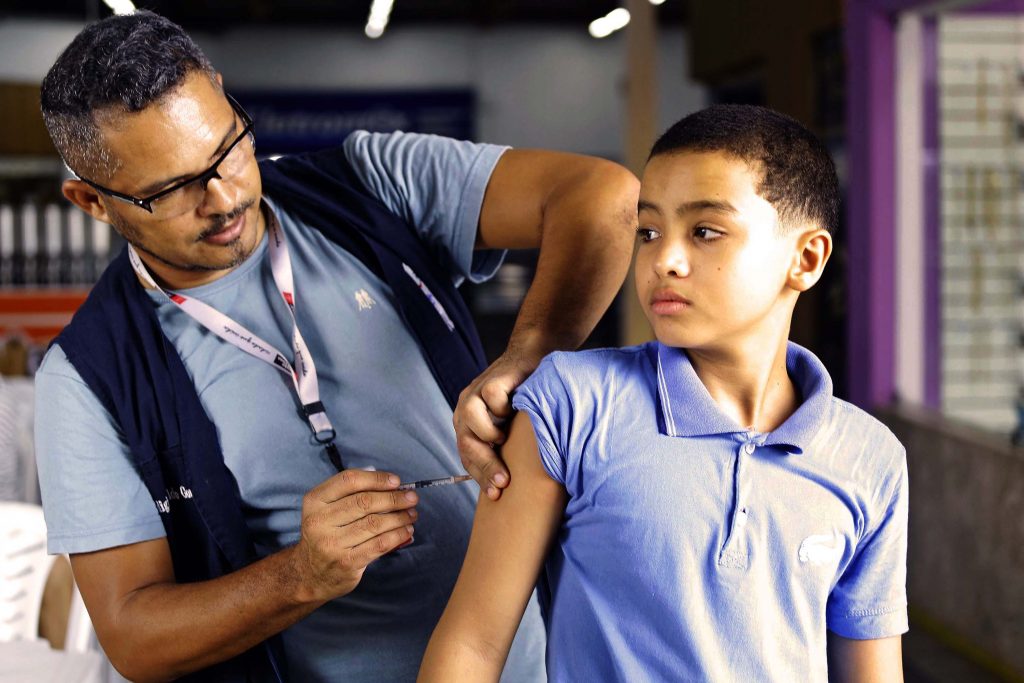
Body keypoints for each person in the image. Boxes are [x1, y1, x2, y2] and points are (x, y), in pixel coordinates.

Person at [34, 10, 639, 683]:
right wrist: (301, 575)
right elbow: (132, 637)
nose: (223, 197)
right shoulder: (86, 376)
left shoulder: (367, 182)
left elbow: (605, 198)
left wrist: (530, 359)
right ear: (92, 201)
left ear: (228, 99)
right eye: (172, 189)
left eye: (227, 148)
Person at [419, 104, 909, 683]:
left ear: (805, 259)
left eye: (705, 231)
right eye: (648, 232)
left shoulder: (870, 457)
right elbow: (472, 648)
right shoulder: (572, 404)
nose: (663, 261)